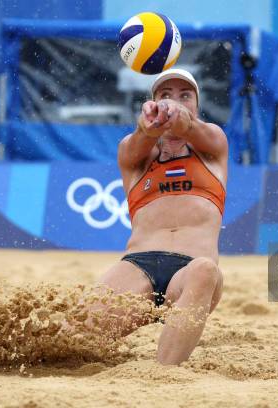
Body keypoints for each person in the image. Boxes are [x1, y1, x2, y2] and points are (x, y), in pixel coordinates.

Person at [97, 68, 228, 365]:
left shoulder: (213, 144)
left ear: (197, 105)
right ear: (151, 103)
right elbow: (139, 140)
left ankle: (163, 375)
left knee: (205, 270)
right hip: (137, 266)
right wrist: (147, 127)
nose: (175, 102)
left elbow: (190, 127)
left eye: (185, 96)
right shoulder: (134, 154)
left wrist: (177, 116)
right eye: (165, 96)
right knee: (72, 336)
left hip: (190, 274)